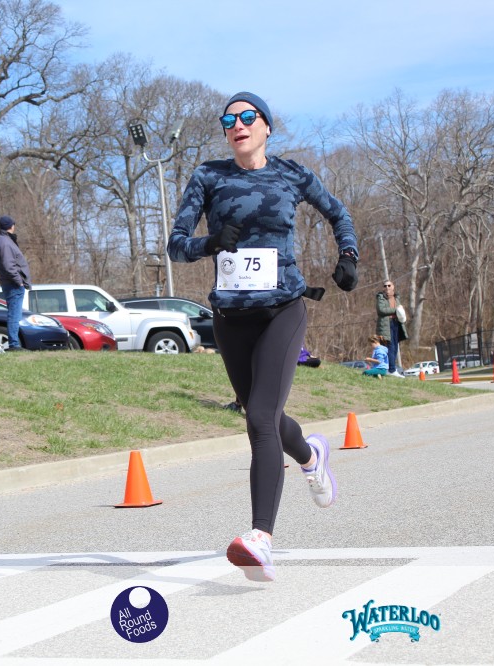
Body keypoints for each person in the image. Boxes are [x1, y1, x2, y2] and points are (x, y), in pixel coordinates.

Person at [167, 91, 358, 582]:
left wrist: (348, 257)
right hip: (231, 317)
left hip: (282, 310)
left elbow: (339, 214)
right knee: (264, 413)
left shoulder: (292, 174)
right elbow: (176, 246)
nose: (238, 124)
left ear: (267, 126)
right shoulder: (208, 176)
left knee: (258, 418)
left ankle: (260, 539)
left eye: (248, 117)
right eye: (229, 119)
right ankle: (311, 455)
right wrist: (211, 242)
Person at [0, 215, 31, 351]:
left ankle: (15, 343)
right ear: (11, 226)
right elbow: (9, 266)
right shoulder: (5, 242)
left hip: (12, 283)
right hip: (13, 284)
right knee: (14, 314)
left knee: (15, 314)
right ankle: (14, 344)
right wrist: (19, 281)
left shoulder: (4, 240)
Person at [375, 281, 408, 377]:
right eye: (385, 286)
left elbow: (400, 311)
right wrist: (396, 310)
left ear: (393, 287)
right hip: (386, 325)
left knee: (395, 347)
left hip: (396, 323)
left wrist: (401, 312)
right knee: (390, 346)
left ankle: (391, 369)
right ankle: (391, 369)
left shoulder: (396, 298)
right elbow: (381, 310)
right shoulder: (380, 297)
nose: (387, 287)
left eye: (389, 285)